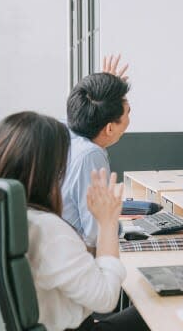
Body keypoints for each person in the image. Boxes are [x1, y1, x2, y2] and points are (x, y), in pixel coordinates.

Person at [0, 111, 148, 331]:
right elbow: (106, 299)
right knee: (157, 309)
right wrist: (107, 223)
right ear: (49, 169)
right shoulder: (46, 229)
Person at [62, 55, 131, 248]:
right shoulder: (91, 155)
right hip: (80, 258)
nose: (128, 117)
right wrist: (119, 227)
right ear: (109, 129)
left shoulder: (66, 134)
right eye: (128, 113)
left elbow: (82, 108)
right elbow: (97, 235)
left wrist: (105, 89)